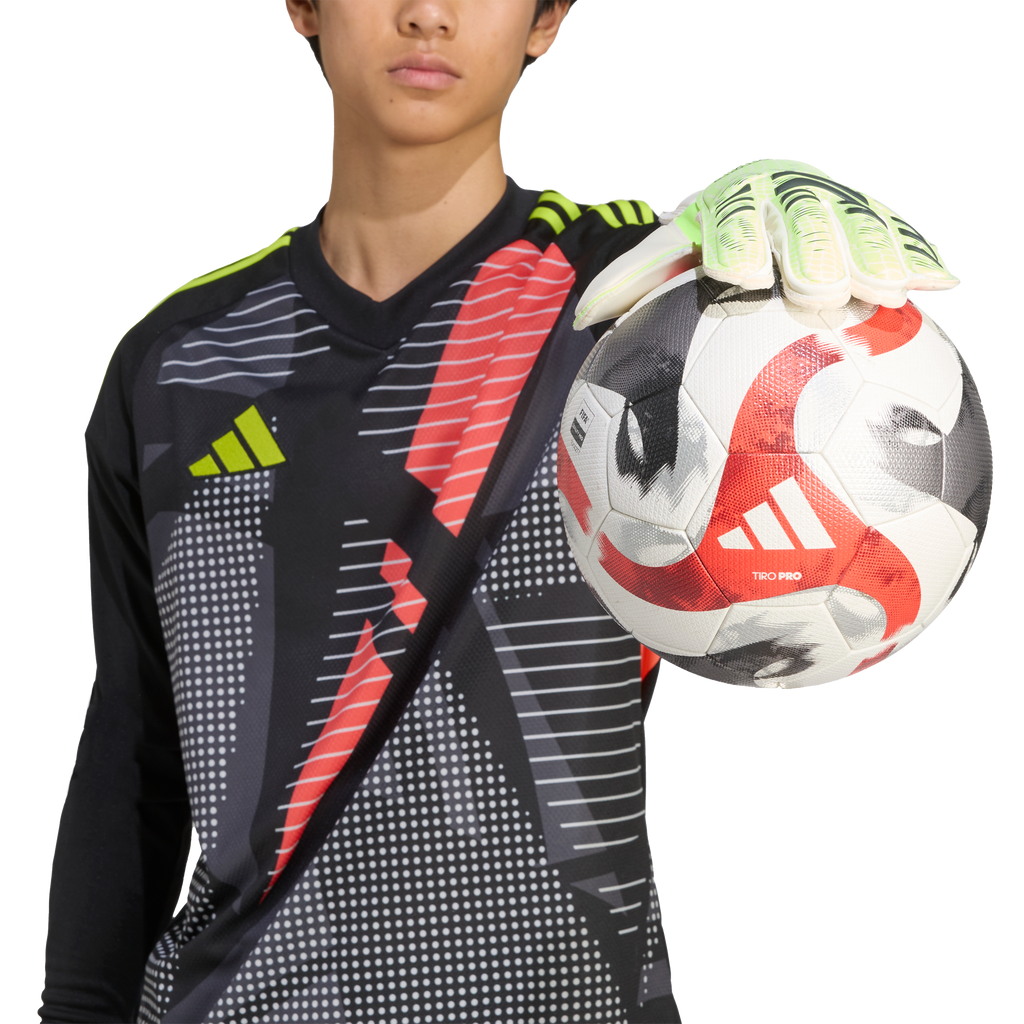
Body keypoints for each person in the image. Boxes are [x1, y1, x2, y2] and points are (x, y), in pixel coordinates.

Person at [37, 2, 962, 1021]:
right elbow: (133, 749)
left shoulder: (643, 304)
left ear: (548, 16)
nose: (426, 14)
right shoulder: (175, 364)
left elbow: (798, 359)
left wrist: (793, 238)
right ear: (300, 2)